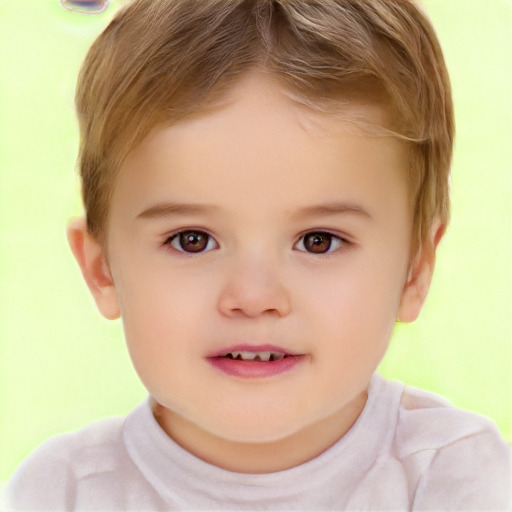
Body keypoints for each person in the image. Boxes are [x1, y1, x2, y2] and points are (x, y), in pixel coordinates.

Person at [4, 0, 511, 510]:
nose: (253, 296)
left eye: (319, 240)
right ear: (101, 269)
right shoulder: (60, 492)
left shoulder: (453, 476)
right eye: (192, 240)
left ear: (414, 272)